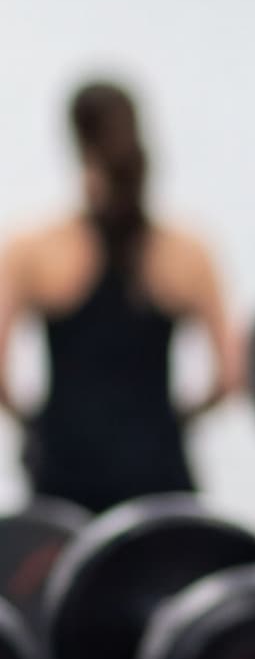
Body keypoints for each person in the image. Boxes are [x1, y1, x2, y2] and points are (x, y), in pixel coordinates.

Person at [0, 77, 239, 508]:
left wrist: (39, 424)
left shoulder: (34, 249)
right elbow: (230, 377)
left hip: (63, 479)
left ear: (76, 144)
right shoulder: (188, 251)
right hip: (161, 479)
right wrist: (177, 421)